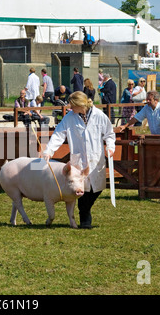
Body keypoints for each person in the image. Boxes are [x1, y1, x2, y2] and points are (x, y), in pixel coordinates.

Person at [42, 91, 116, 229]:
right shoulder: (70, 117)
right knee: (82, 190)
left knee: (96, 189)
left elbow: (109, 134)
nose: (70, 108)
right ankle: (85, 219)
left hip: (96, 159)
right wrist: (49, 150)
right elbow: (59, 134)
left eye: (72, 105)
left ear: (80, 105)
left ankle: (85, 211)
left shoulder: (99, 116)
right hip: (79, 161)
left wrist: (110, 147)